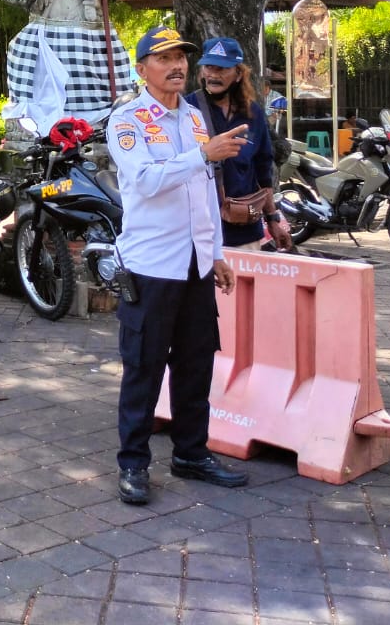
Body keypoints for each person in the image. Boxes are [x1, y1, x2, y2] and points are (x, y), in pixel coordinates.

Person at [108, 25, 250, 506]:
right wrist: (201, 155)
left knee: (195, 364)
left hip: (195, 265)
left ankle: (191, 453)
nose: (177, 66)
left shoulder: (193, 117)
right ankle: (133, 463)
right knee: (143, 367)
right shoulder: (127, 120)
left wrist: (216, 253)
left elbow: (205, 190)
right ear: (142, 68)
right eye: (164, 57)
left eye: (181, 57)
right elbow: (146, 181)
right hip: (152, 265)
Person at [194, 37, 293, 252]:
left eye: (222, 69)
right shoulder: (188, 109)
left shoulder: (252, 113)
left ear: (238, 74)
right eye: (209, 67)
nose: (213, 75)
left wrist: (272, 219)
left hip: (244, 230)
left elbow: (263, 171)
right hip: (198, 233)